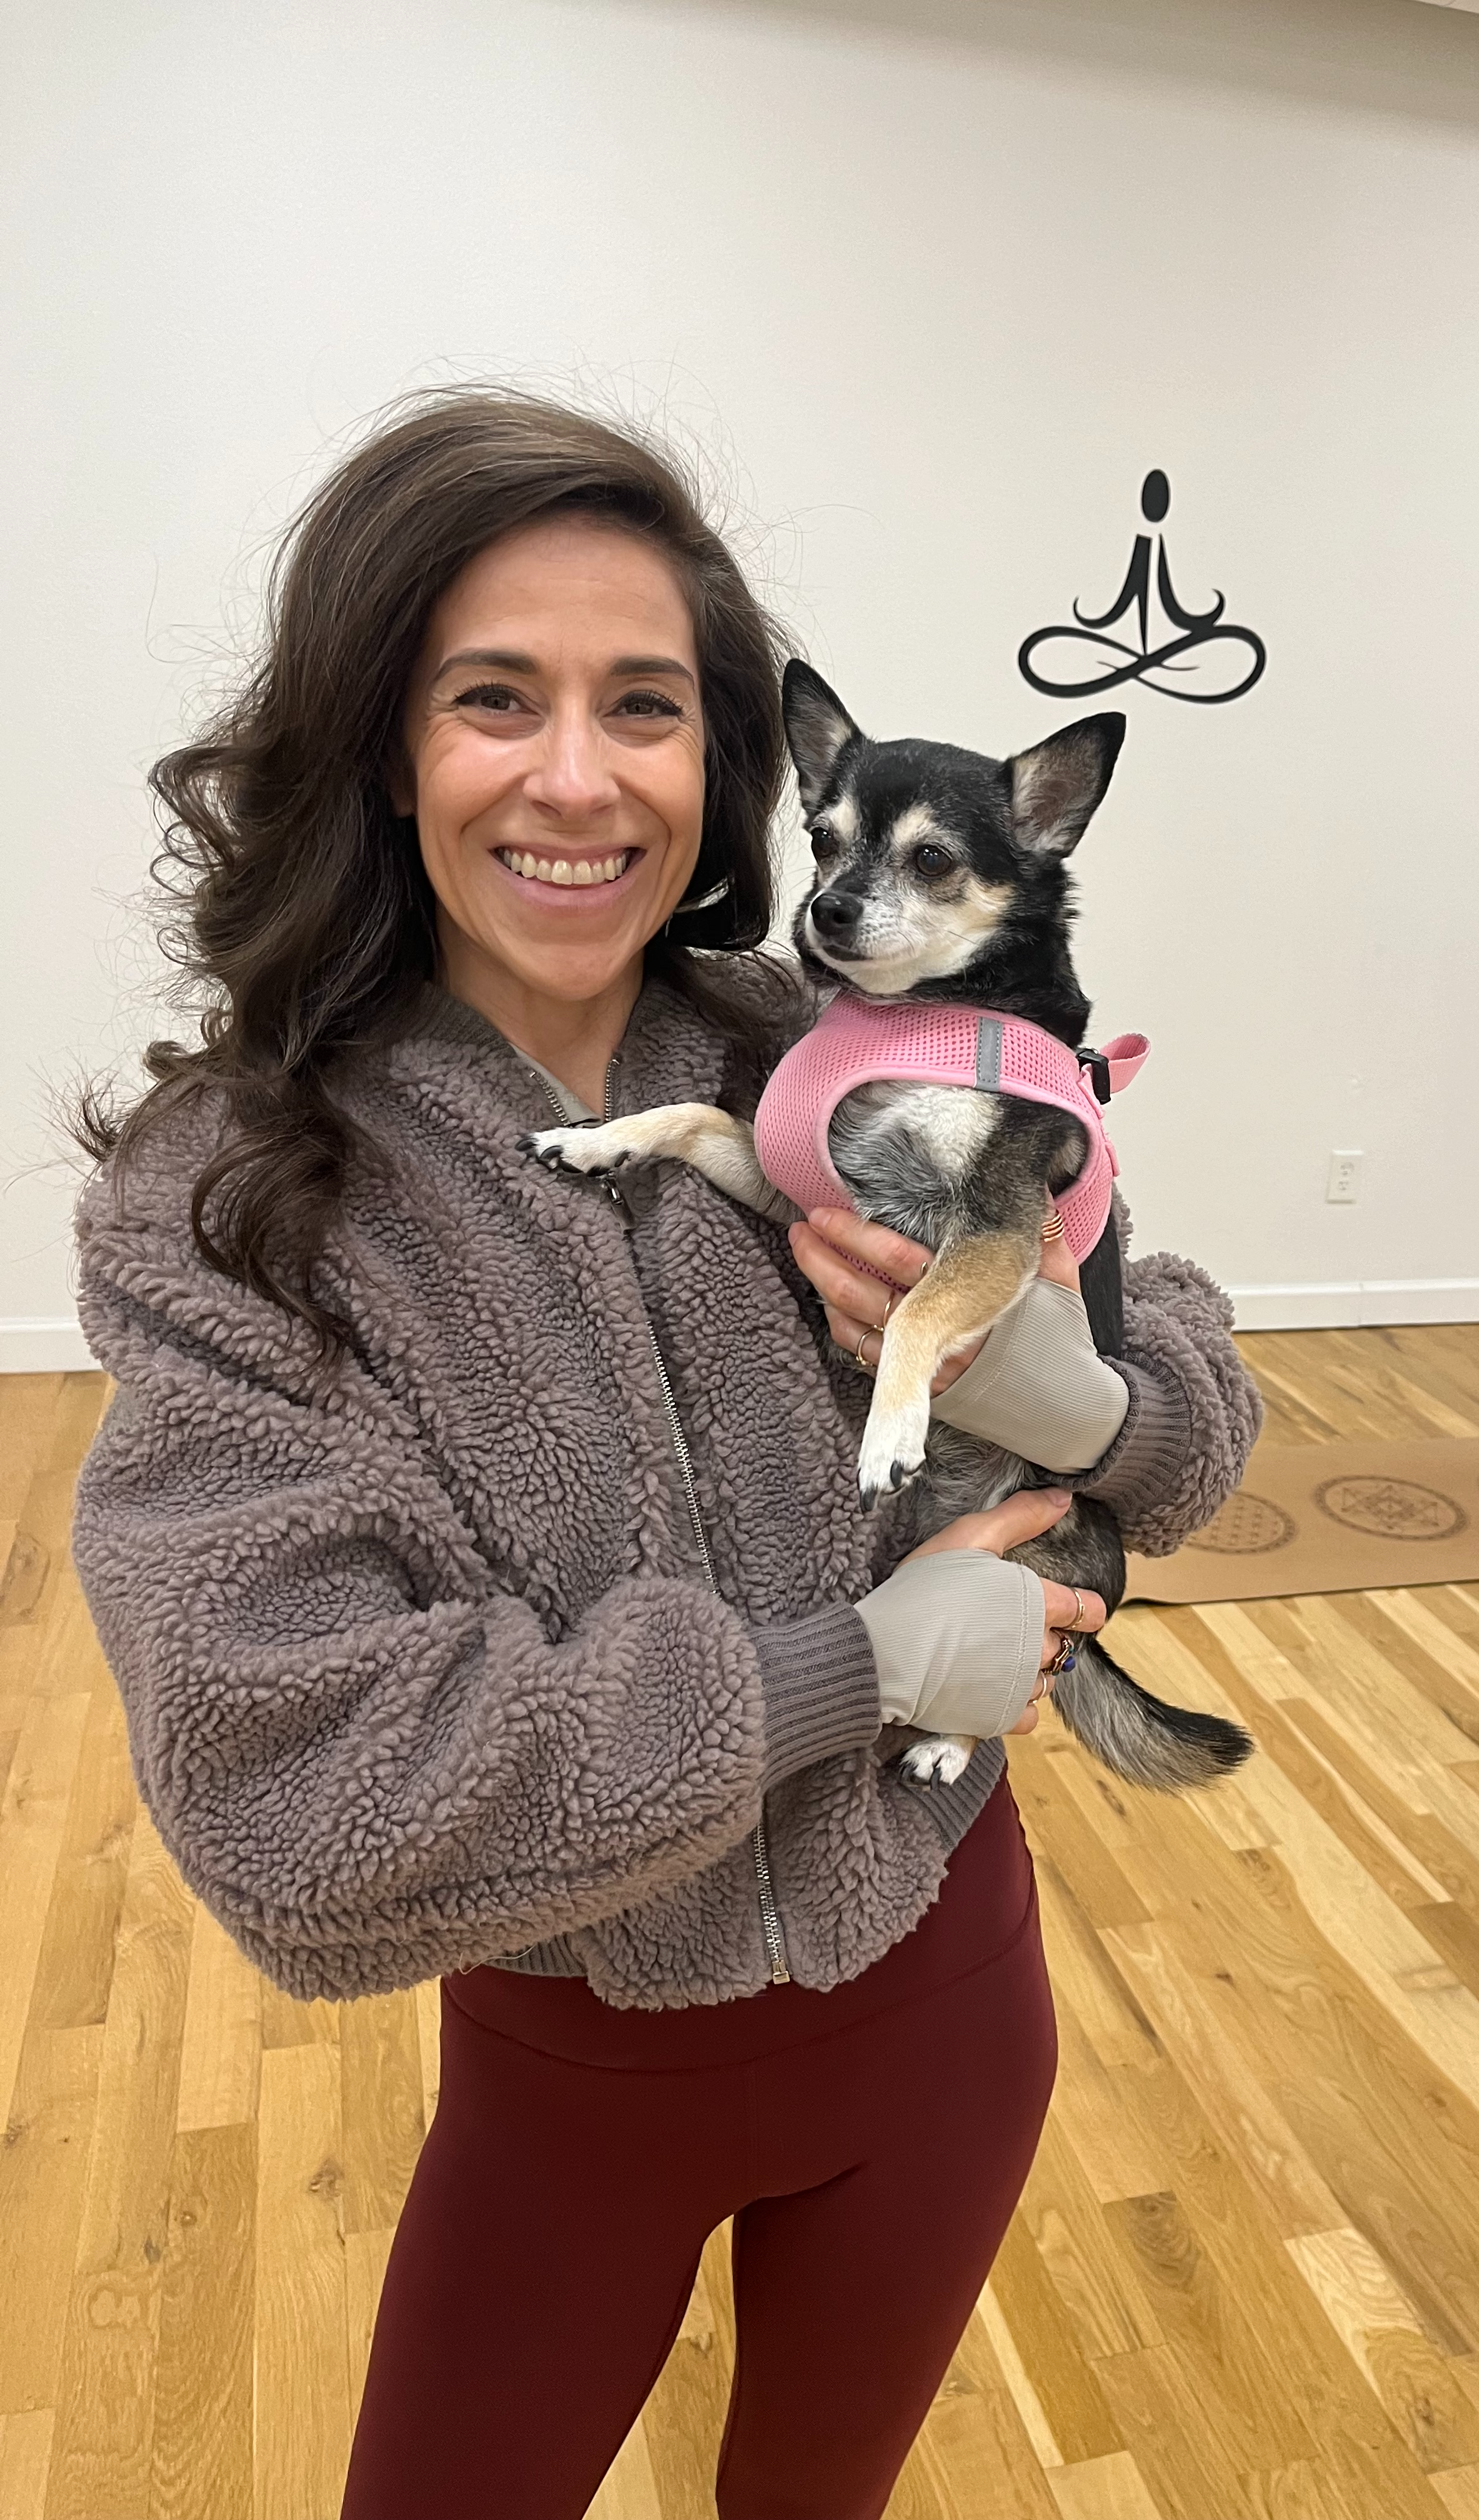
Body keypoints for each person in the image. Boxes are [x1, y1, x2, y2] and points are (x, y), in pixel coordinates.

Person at [69, 392, 1262, 2520]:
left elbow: (1163, 1367)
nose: (575, 776)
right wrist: (864, 1666)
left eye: (644, 706)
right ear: (376, 742)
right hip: (578, 2091)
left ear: (717, 761)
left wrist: (1093, 1408)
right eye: (492, 700)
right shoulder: (231, 1202)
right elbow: (301, 1804)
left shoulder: (853, 1061)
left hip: (956, 2012)